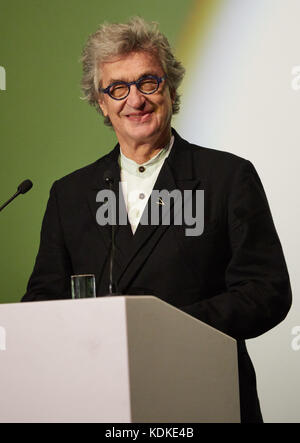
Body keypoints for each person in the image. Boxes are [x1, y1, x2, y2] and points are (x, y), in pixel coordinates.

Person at [22, 17, 292, 423]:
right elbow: (41, 303)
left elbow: (267, 291)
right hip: (99, 401)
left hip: (202, 395)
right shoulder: (70, 195)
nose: (136, 100)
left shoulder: (227, 177)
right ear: (101, 101)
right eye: (118, 88)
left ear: (169, 88)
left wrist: (168, 327)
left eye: (148, 82)